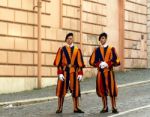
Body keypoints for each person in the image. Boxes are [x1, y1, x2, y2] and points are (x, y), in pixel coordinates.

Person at [53, 32, 85, 113]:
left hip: (74, 73)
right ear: (66, 40)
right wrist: (60, 73)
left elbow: (79, 64)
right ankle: (59, 108)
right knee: (61, 91)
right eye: (68, 38)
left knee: (75, 91)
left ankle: (76, 108)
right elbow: (58, 63)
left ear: (73, 39)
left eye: (71, 38)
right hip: (64, 72)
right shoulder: (62, 50)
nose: (70, 40)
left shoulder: (77, 50)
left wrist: (80, 73)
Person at [89, 32, 120, 114]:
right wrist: (99, 64)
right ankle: (105, 107)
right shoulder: (97, 50)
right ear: (99, 40)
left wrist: (108, 63)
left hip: (109, 73)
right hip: (101, 73)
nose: (102, 40)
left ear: (106, 39)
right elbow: (91, 61)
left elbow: (117, 60)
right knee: (102, 90)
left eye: (103, 38)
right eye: (101, 38)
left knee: (112, 90)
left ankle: (114, 107)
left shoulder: (111, 49)